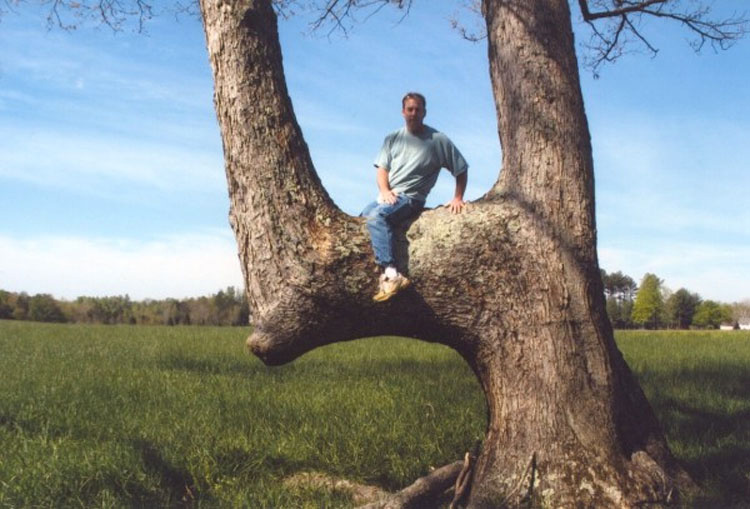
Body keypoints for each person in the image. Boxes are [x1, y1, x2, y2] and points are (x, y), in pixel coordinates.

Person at [361, 92, 469, 302]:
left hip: (411, 198)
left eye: (418, 109)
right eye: (410, 109)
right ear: (403, 112)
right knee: (364, 217)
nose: (414, 113)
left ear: (424, 112)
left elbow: (461, 169)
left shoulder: (438, 140)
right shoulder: (393, 138)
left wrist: (458, 197)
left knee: (377, 218)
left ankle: (392, 274)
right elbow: (382, 170)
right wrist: (384, 191)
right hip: (388, 196)